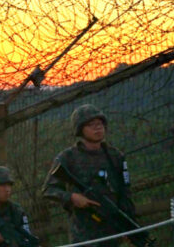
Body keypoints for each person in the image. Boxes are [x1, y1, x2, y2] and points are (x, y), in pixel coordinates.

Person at [42, 104, 136, 246]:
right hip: (83, 234)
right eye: (91, 125)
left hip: (112, 230)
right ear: (80, 130)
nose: (97, 128)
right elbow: (48, 190)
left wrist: (128, 224)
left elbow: (125, 192)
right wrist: (72, 198)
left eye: (100, 124)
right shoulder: (68, 157)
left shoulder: (115, 156)